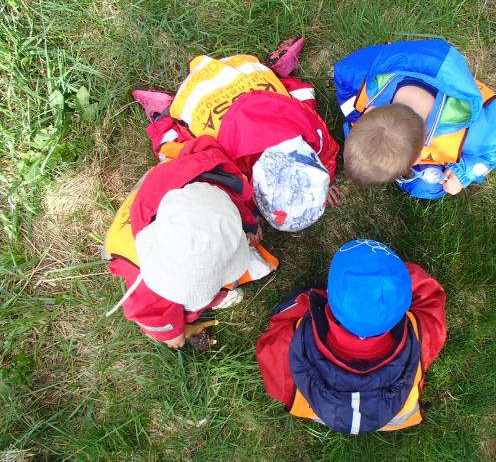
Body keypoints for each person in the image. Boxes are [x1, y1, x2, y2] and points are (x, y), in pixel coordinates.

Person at [131, 38, 341, 232]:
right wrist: (248, 217)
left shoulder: (305, 126)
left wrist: (325, 181)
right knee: (172, 149)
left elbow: (327, 150)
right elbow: (230, 187)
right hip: (195, 92)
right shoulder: (226, 157)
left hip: (247, 72)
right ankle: (163, 115)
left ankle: (278, 73)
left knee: (303, 98)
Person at [102, 136, 278, 348]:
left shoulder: (214, 178)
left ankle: (209, 292)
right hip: (129, 242)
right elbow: (150, 314)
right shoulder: (147, 284)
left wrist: (248, 225)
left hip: (153, 197)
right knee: (188, 301)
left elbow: (232, 204)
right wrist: (175, 333)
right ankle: (206, 301)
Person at [256, 239, 447, 434]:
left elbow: (269, 355)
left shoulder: (292, 341)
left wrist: (304, 303)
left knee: (292, 300)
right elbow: (431, 297)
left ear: (329, 294)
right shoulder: (421, 334)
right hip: (393, 416)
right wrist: (388, 280)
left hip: (318, 410)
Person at [334, 39, 496, 199]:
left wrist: (465, 172)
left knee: (424, 187)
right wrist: (354, 115)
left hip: (450, 84)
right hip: (419, 63)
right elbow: (343, 77)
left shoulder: (481, 130)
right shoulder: (362, 75)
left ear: (421, 156)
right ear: (369, 110)